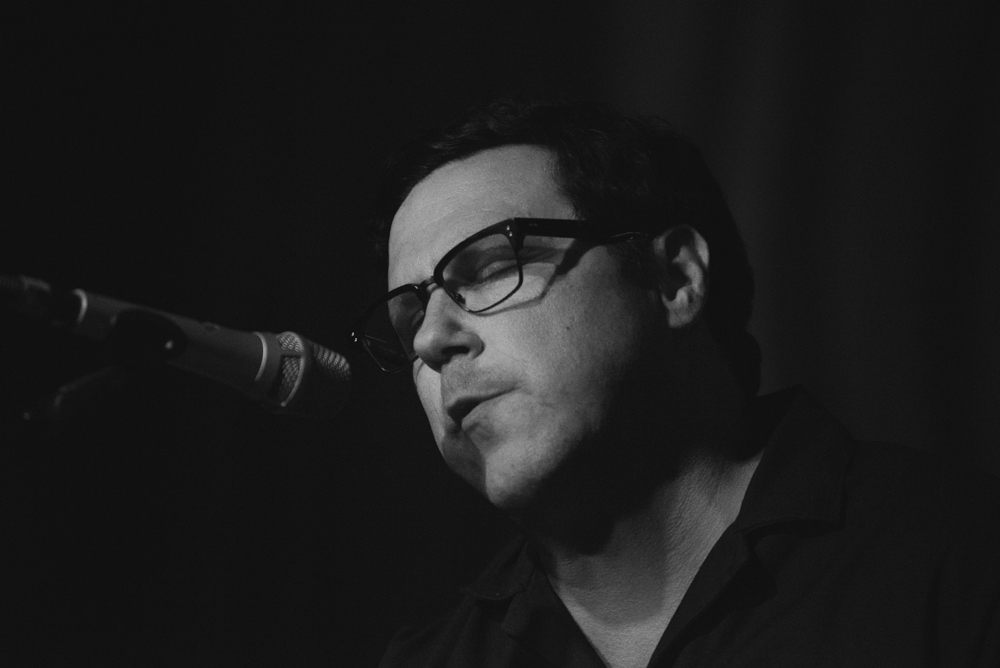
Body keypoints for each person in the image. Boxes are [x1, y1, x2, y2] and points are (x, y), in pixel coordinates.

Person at [348, 99, 1000, 667]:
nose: (433, 341)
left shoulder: (956, 555)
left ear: (675, 278)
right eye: (409, 323)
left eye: (490, 267)